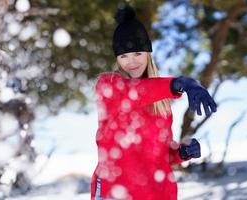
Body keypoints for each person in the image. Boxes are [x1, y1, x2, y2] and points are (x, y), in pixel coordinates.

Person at [90, 4, 217, 200]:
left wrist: (182, 151)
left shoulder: (161, 102)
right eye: (124, 56)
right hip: (115, 191)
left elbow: (159, 155)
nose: (131, 62)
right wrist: (178, 83)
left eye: (137, 54)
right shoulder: (109, 85)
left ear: (148, 54)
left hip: (156, 193)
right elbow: (134, 93)